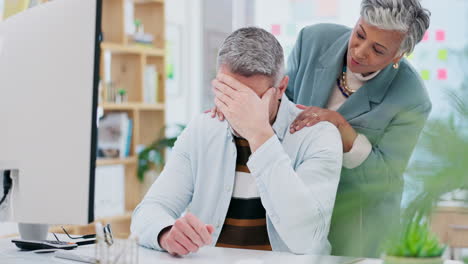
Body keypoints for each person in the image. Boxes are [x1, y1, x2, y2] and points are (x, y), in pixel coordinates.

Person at [212, 0, 431, 258]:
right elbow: (279, 103)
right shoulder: (313, 40)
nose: (360, 52)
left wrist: (341, 128)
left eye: (378, 50)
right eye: (359, 34)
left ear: (398, 55)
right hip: (297, 205)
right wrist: (238, 106)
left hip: (357, 218)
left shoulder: (412, 97)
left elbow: (386, 177)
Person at [131, 27, 343, 256]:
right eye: (229, 92)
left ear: (281, 88)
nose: (236, 108)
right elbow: (149, 211)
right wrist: (167, 233)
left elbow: (304, 239)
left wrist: (260, 136)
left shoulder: (318, 136)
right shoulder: (203, 129)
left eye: (251, 99)